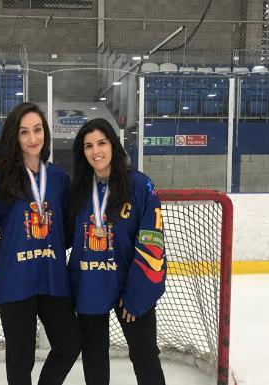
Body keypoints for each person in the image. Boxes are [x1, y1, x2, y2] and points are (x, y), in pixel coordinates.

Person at [0, 102, 81, 385]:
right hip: (15, 279)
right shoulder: (0, 177)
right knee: (20, 358)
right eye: (24, 132)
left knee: (70, 343)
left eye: (37, 130)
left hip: (52, 278)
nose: (33, 138)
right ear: (15, 137)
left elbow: (68, 230)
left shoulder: (59, 178)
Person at [69, 118, 167, 385]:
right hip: (91, 285)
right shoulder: (78, 189)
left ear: (113, 144)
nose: (95, 151)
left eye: (101, 142)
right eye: (88, 146)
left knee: (145, 355)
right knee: (94, 358)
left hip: (129, 287)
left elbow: (152, 242)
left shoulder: (139, 185)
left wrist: (137, 295)